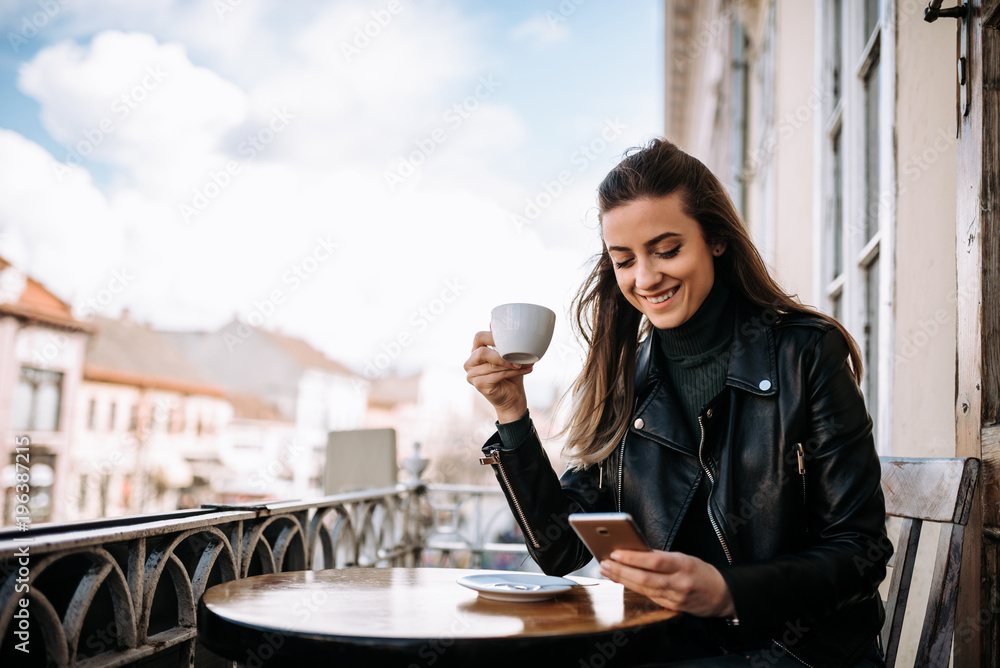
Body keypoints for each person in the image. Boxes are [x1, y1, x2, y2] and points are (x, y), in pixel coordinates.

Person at [464, 138, 889, 667]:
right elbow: (559, 550)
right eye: (624, 260)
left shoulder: (804, 352)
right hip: (663, 644)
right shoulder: (625, 376)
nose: (645, 278)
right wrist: (511, 413)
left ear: (715, 240)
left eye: (666, 250)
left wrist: (728, 591)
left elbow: (859, 552)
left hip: (795, 652)